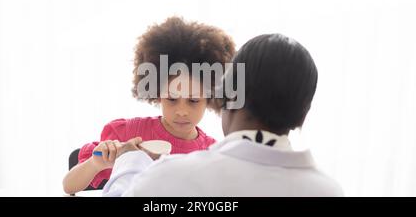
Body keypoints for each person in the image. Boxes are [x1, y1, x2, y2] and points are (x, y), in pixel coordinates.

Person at [102, 34, 344, 196]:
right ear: (304, 113)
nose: (182, 110)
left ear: (227, 92)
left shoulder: (171, 177)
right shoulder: (329, 191)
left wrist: (130, 161)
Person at [62, 17, 236, 195]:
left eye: (193, 101)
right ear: (157, 94)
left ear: (210, 98)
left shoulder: (210, 153)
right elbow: (69, 186)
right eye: (172, 99)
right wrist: (96, 164)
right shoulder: (128, 134)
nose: (182, 111)